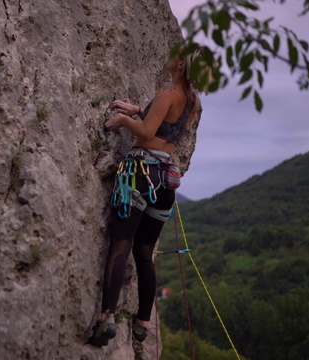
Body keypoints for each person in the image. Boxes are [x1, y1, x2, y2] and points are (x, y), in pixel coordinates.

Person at [89, 44, 210, 347]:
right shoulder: (193, 101)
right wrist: (138, 110)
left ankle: (106, 318)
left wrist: (125, 121)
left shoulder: (167, 92)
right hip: (166, 181)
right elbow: (167, 129)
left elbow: (145, 132)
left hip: (140, 175)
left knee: (121, 244)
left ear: (181, 65)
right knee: (145, 252)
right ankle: (143, 321)